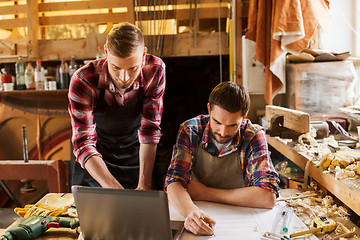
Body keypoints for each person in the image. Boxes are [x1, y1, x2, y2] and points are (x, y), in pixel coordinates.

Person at [165, 81, 279, 235]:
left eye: (232, 125)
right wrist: (191, 213)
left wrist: (206, 193)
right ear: (209, 110)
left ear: (244, 117)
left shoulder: (253, 135)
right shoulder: (190, 130)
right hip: (196, 207)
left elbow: (267, 196)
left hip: (240, 218)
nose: (223, 132)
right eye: (217, 122)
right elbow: (174, 182)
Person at [68, 23, 166, 190]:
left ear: (143, 55)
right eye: (116, 67)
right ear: (106, 52)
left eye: (133, 68)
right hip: (95, 161)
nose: (124, 77)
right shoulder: (83, 80)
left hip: (136, 155)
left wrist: (144, 183)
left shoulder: (154, 70)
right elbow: (84, 143)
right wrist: (114, 189)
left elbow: (150, 130)